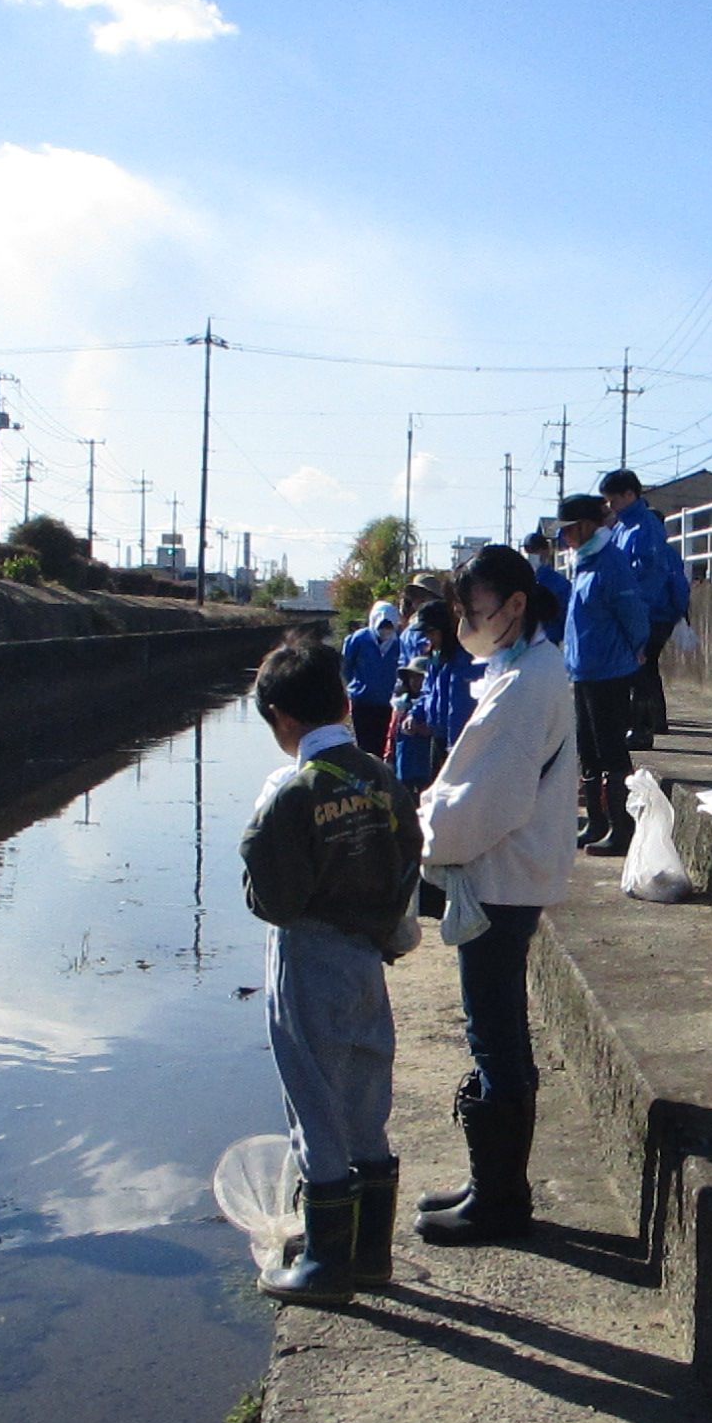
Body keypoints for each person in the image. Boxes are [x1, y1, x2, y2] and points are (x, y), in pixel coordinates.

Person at [240, 636, 424, 1303]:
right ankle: (372, 1255)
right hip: (367, 958)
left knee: (314, 1103)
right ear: (346, 703)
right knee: (367, 1100)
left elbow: (273, 898)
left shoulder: (289, 791)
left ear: (281, 719)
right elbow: (410, 856)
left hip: (308, 959)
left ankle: (325, 1262)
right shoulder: (381, 779)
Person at [412, 545, 582, 1244]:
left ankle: (500, 1197)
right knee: (497, 1025)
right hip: (509, 873)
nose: (466, 624)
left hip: (501, 877)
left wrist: (423, 837)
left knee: (494, 1030)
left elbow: (488, 800)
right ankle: (493, 1183)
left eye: (474, 610)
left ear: (515, 605)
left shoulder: (526, 682)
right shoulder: (526, 667)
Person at [557, 491, 648, 856]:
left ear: (583, 526)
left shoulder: (610, 561)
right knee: (589, 750)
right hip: (583, 670)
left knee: (611, 749)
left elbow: (633, 613)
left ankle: (620, 828)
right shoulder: (583, 561)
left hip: (608, 670)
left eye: (568, 529)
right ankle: (596, 822)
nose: (564, 537)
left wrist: (637, 648)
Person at [600, 469, 691, 747]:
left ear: (629, 494)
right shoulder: (623, 526)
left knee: (640, 668)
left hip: (651, 612)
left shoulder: (645, 527)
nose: (610, 505)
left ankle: (642, 729)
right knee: (639, 669)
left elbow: (651, 575)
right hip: (635, 609)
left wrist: (635, 609)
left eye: (613, 499)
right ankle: (640, 724)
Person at [395, 600, 483, 791]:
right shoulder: (435, 658)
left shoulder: (464, 659)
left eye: (431, 632)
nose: (428, 638)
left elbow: (459, 706)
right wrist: (415, 715)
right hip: (438, 739)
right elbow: (427, 692)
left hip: (459, 743)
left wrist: (454, 747)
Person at [340, 600, 403, 754]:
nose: (384, 631)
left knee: (384, 744)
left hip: (389, 701)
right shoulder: (358, 639)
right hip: (362, 701)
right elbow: (346, 665)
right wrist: (354, 686)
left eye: (388, 627)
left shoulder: (399, 642)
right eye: (381, 626)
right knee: (365, 745)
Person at [523, 528, 571, 646]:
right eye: (527, 551)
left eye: (534, 550)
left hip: (550, 642)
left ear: (546, 551)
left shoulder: (559, 583)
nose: (530, 554)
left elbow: (567, 618)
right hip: (522, 644)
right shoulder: (519, 581)